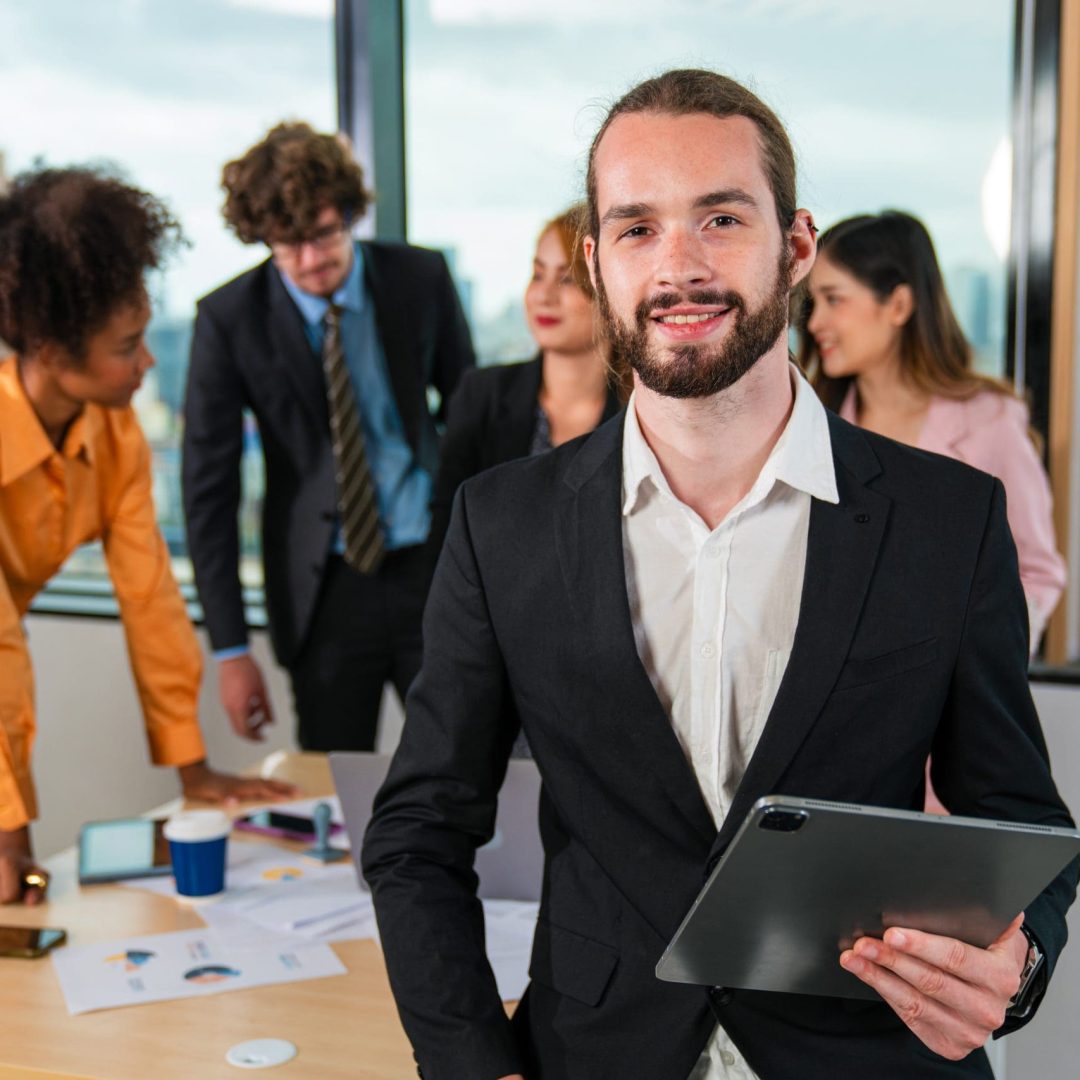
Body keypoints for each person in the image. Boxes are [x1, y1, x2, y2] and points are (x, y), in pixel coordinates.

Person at [361, 69, 1076, 1080]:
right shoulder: (502, 524)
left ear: (794, 246)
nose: (679, 266)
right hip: (594, 1054)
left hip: (871, 1056)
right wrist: (473, 1063)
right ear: (597, 259)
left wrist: (1024, 955)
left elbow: (1022, 821)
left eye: (722, 219)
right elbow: (418, 832)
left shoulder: (946, 521)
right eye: (637, 228)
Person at [0, 167, 295, 905]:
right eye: (127, 346)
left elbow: (150, 599)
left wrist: (192, 770)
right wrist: (9, 833)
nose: (149, 361)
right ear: (49, 348)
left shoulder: (118, 433)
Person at [182, 122, 475, 754]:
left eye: (323, 234)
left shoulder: (419, 279)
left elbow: (471, 419)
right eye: (289, 246)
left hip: (433, 563)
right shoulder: (228, 319)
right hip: (322, 593)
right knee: (337, 782)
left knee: (466, 761)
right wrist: (231, 651)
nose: (312, 260)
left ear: (348, 212)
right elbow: (209, 493)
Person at [801, 210, 1066, 646]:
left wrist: (982, 663)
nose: (814, 324)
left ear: (899, 305)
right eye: (814, 303)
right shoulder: (813, 423)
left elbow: (1036, 572)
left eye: (834, 299)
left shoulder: (989, 422)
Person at [429, 203, 622, 557]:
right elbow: (446, 535)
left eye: (566, 279)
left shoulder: (645, 410)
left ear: (612, 295)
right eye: (537, 275)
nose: (543, 296)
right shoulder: (481, 396)